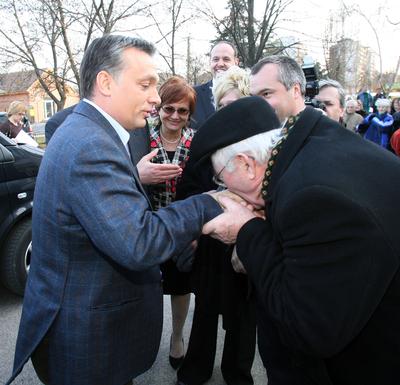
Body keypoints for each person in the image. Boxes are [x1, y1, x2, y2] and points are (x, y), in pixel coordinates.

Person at [6, 34, 228, 385]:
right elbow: (139, 242)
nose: (156, 98)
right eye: (146, 84)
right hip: (85, 341)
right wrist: (210, 203)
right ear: (106, 82)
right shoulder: (91, 145)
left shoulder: (90, 132)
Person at [196, 69, 400, 384]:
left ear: (249, 165)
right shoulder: (310, 145)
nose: (223, 186)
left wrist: (247, 231)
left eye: (221, 176)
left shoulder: (310, 199)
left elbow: (309, 327)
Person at [176, 66, 256, 385]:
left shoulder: (262, 144)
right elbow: (187, 188)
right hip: (210, 244)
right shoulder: (206, 141)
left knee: (243, 319)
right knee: (206, 312)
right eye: (223, 106)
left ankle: (237, 375)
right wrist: (213, 201)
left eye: (235, 104)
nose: (228, 112)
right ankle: (195, 371)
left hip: (246, 244)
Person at [146, 75, 196, 370]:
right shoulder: (142, 136)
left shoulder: (196, 140)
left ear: (189, 114)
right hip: (148, 224)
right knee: (147, 287)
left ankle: (177, 337)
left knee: (180, 285)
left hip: (183, 227)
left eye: (182, 111)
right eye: (169, 109)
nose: (175, 116)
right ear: (159, 109)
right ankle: (144, 339)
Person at [190, 41, 239, 129]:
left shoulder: (247, 93)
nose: (220, 64)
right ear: (210, 62)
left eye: (226, 59)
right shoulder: (193, 94)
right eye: (216, 59)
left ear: (236, 62)